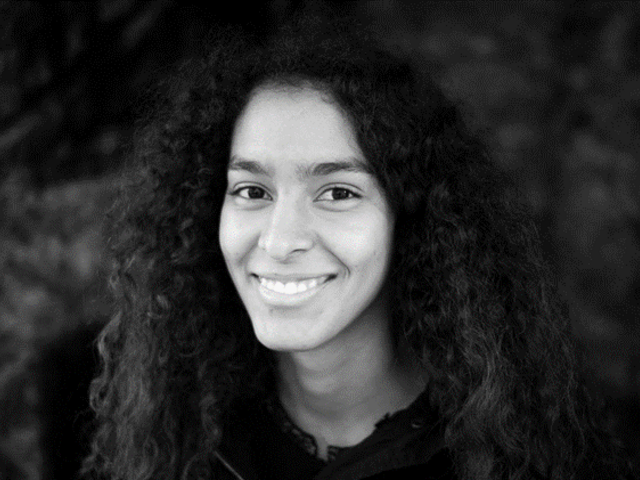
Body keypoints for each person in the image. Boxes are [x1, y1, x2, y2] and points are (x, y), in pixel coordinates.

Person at [82, 13, 636, 480]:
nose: (280, 240)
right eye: (252, 190)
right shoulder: (173, 429)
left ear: (412, 218)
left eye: (338, 192)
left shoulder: (509, 448)